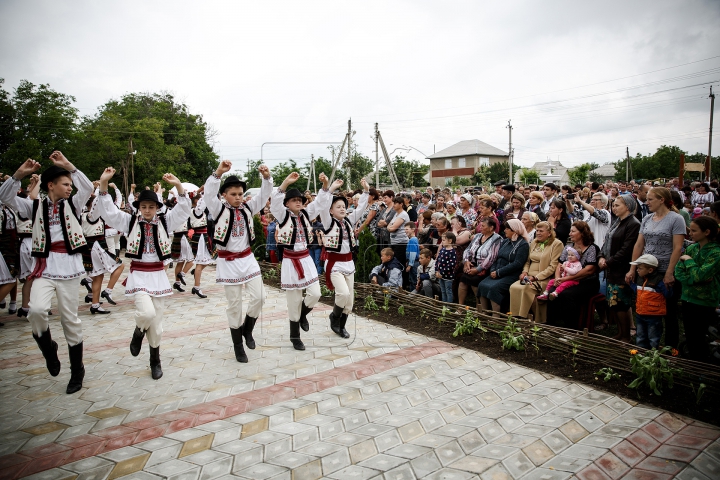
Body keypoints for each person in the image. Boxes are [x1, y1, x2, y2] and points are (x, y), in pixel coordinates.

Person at [0, 154, 94, 394]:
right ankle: (48, 349)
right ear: (50, 185)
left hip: (70, 269)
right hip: (44, 267)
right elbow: (4, 197)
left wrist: (69, 167)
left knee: (69, 320)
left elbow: (87, 186)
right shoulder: (34, 206)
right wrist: (18, 175)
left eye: (70, 185)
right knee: (37, 311)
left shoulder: (73, 204)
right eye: (65, 184)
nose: (69, 188)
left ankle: (77, 370)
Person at [96, 167, 190, 378]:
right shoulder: (129, 222)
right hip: (138, 274)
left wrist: (178, 185)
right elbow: (108, 211)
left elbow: (184, 209)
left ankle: (155, 361)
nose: (147, 210)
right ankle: (138, 331)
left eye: (151, 206)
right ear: (138, 207)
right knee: (147, 314)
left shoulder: (166, 221)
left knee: (156, 325)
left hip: (158, 275)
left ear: (158, 207)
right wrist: (103, 184)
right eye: (144, 207)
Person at [202, 161, 272, 362]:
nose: (238, 197)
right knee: (234, 305)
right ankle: (238, 346)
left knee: (259, 297)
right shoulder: (218, 209)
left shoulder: (248, 208)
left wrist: (266, 178)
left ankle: (248, 329)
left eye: (240, 194)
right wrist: (218, 173)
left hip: (248, 259)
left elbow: (264, 196)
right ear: (224, 195)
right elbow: (208, 194)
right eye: (233, 194)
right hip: (228, 262)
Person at [271, 171, 332, 350]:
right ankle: (294, 336)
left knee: (315, 293)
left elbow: (320, 202)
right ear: (287, 204)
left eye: (300, 199)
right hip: (290, 260)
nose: (298, 202)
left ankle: (303, 314)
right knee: (294, 301)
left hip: (305, 258)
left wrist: (325, 185)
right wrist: (285, 183)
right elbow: (275, 203)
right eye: (294, 200)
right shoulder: (283, 216)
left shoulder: (306, 213)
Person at [625, 187, 686, 348]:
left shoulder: (676, 219)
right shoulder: (647, 219)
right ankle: (646, 344)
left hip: (665, 269)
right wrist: (633, 268)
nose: (647, 202)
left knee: (669, 311)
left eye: (651, 199)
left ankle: (671, 347)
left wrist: (669, 272)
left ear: (662, 200)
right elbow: (639, 244)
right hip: (646, 270)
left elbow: (677, 247)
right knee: (645, 307)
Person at [320, 177, 369, 339]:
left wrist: (366, 191)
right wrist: (331, 188)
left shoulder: (348, 221)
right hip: (334, 264)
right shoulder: (328, 223)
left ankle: (341, 326)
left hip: (349, 263)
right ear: (331, 210)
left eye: (343, 206)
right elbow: (323, 204)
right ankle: (334, 317)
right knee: (342, 293)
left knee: (350, 300)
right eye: (338, 207)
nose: (342, 209)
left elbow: (361, 208)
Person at [675, 216, 720, 361]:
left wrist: (688, 261)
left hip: (705, 301)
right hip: (688, 297)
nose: (690, 234)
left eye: (694, 231)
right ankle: (692, 363)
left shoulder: (716, 253)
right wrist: (692, 279)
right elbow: (678, 271)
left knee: (699, 336)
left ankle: (700, 368)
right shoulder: (692, 248)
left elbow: (700, 275)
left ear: (707, 232)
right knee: (690, 335)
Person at [599, 194, 640, 338]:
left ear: (627, 207)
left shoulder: (633, 224)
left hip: (622, 269)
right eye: (613, 205)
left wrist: (608, 263)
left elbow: (627, 249)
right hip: (612, 269)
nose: (614, 208)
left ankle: (626, 335)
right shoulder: (618, 222)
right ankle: (620, 333)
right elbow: (607, 241)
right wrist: (601, 256)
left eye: (617, 205)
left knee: (621, 303)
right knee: (614, 303)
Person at [546, 221, 600, 329]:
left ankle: (571, 328)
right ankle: (551, 326)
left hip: (587, 282)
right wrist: (557, 278)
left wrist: (567, 278)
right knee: (552, 291)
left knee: (566, 294)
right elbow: (559, 265)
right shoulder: (568, 247)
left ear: (582, 233)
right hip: (566, 280)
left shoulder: (592, 248)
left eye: (573, 231)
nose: (570, 233)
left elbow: (589, 270)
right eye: (570, 231)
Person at [509, 221, 564, 322]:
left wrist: (536, 277)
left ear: (549, 233)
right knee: (514, 287)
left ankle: (537, 319)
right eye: (537, 230)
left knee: (526, 290)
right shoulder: (534, 242)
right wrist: (525, 272)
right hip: (529, 276)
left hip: (544, 278)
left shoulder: (557, 244)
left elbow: (553, 266)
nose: (538, 233)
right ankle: (518, 317)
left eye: (541, 231)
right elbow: (527, 261)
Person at [477, 219, 530, 313]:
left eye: (507, 229)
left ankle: (496, 316)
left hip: (510, 274)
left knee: (494, 288)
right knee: (482, 285)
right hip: (497, 271)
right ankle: (484, 313)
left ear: (514, 230)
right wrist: (493, 270)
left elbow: (517, 263)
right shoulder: (505, 242)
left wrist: (498, 272)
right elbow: (496, 258)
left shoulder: (523, 244)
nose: (504, 230)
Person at [627, 254, 671, 349]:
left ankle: (652, 355)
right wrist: (630, 283)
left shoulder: (659, 281)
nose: (637, 270)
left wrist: (669, 287)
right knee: (640, 336)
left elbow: (667, 295)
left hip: (654, 316)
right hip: (640, 314)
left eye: (640, 268)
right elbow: (637, 290)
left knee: (653, 337)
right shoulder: (639, 279)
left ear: (650, 270)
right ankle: (641, 354)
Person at [457, 217, 502, 307]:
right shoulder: (477, 236)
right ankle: (460, 306)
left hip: (486, 268)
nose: (480, 228)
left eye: (483, 226)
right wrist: (466, 262)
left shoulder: (497, 239)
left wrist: (478, 269)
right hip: (472, 264)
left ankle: (479, 307)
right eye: (480, 226)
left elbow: (492, 257)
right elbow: (468, 249)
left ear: (491, 228)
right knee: (463, 281)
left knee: (474, 282)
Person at [435, 232, 457, 303]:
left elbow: (451, 264)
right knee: (443, 291)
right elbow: (438, 260)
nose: (442, 242)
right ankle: (444, 305)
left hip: (448, 276)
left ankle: (449, 306)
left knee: (448, 291)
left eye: (444, 240)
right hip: (440, 275)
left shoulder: (452, 252)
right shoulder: (442, 250)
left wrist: (442, 272)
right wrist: (436, 270)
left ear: (450, 241)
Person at [405, 223, 419, 291]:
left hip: (414, 263)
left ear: (413, 229)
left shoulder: (412, 240)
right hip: (412, 262)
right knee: (411, 279)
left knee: (413, 280)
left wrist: (410, 264)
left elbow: (413, 253)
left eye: (407, 229)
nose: (405, 231)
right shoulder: (412, 240)